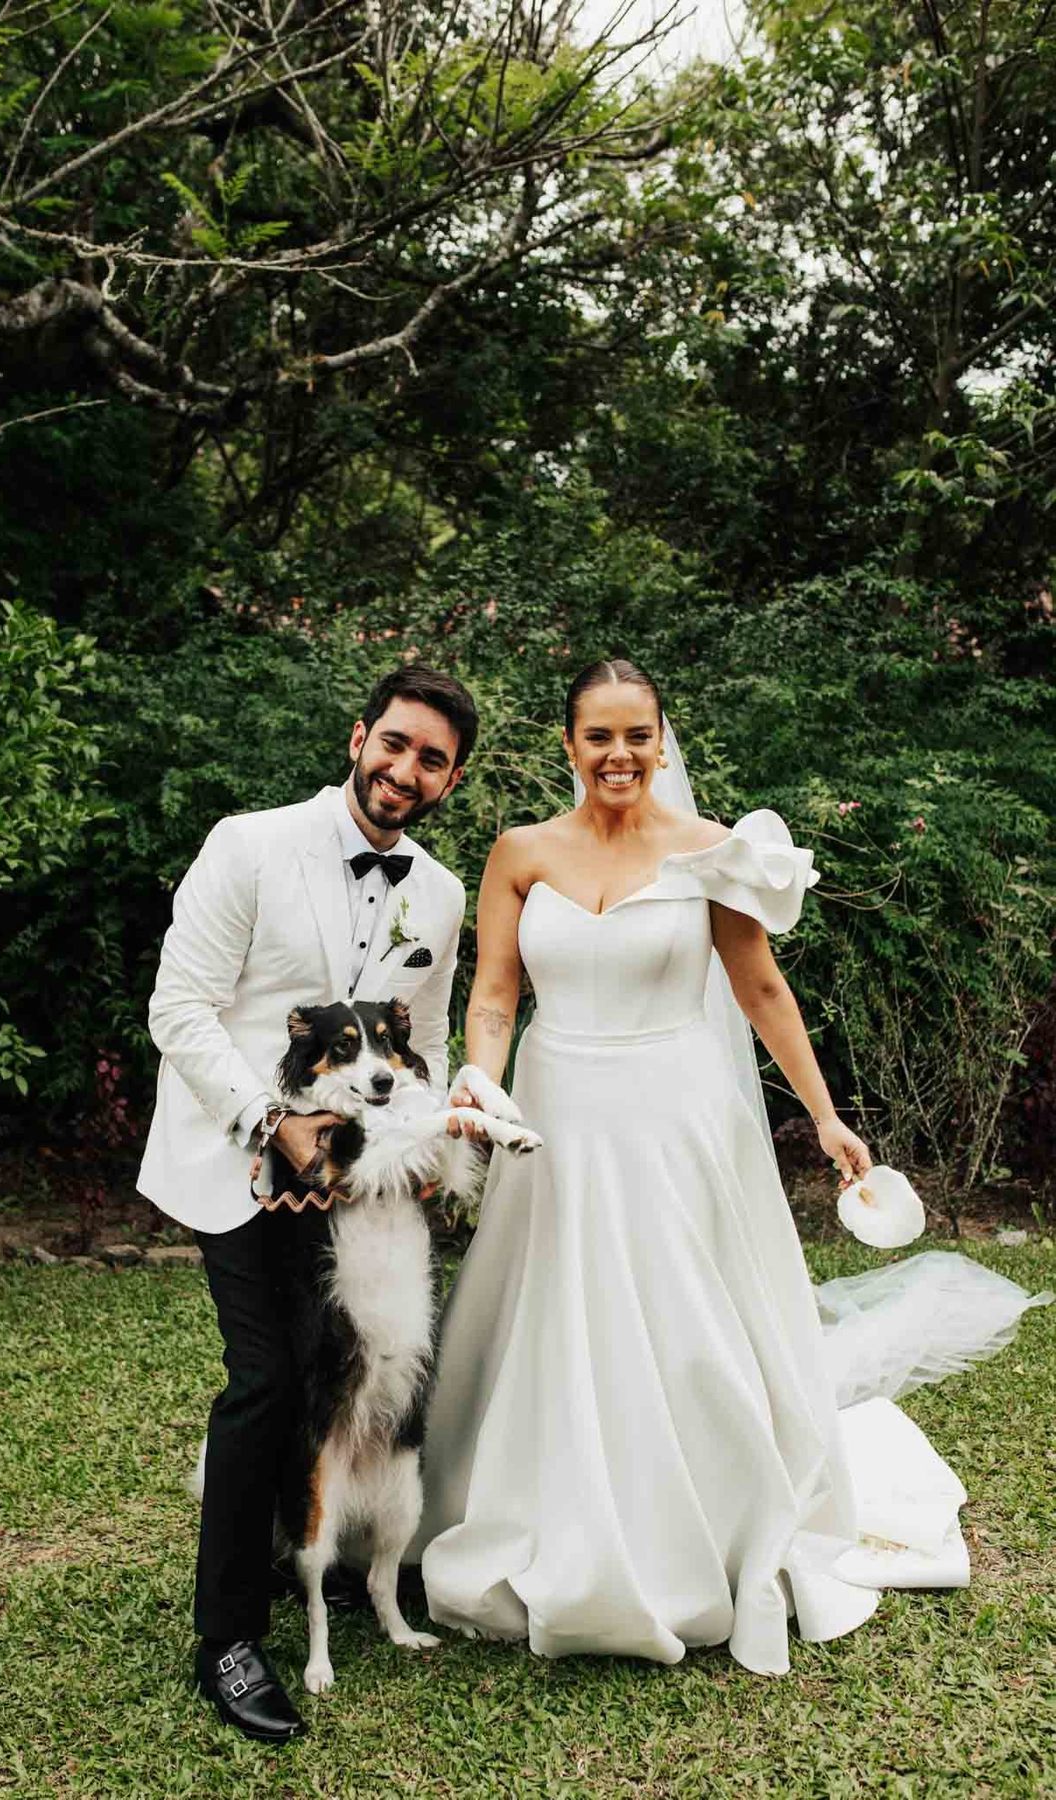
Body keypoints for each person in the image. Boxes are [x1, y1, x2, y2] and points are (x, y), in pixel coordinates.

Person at [418, 656, 1046, 1675]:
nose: (619, 755)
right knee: (560, 1307)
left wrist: (826, 1118)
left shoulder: (713, 851)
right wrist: (480, 1085)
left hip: (675, 1112)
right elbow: (494, 994)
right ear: (568, 744)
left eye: (637, 735)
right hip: (559, 1108)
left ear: (661, 741)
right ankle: (545, 1509)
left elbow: (760, 991)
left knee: (684, 1316)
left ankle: (706, 1524)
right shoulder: (520, 852)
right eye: (598, 736)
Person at [137, 664, 477, 1742]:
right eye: (396, 744)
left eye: (432, 760)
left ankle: (319, 1552)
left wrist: (422, 1145)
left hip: (357, 1185)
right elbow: (179, 1009)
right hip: (234, 1155)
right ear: (358, 737)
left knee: (351, 1375)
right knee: (269, 1379)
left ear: (450, 780)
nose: (406, 770)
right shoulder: (249, 844)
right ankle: (229, 1639)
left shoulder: (441, 896)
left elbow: (422, 1046)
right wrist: (267, 1125)